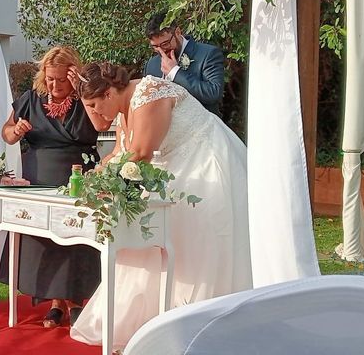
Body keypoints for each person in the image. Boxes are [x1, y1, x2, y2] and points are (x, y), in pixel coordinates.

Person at [71, 62, 252, 349]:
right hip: (170, 169)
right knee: (147, 240)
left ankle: (191, 322)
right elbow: (119, 153)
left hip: (204, 162)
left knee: (198, 240)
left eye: (94, 104)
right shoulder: (121, 110)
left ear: (109, 93)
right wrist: (96, 176)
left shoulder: (149, 93)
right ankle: (147, 324)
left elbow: (141, 153)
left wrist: (109, 176)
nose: (94, 112)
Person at [0, 46, 110, 329]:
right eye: (50, 78)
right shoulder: (31, 99)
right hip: (38, 177)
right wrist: (16, 131)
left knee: (76, 239)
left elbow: (101, 125)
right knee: (46, 242)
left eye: (61, 79)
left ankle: (77, 302)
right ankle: (55, 303)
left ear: (71, 75)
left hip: (78, 175)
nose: (55, 84)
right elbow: (7, 133)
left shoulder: (85, 99)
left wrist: (82, 90)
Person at [143, 12, 225, 115]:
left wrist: (175, 72)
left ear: (177, 32)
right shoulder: (151, 65)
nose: (161, 51)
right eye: (155, 47)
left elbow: (213, 94)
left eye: (165, 44)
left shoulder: (207, 54)